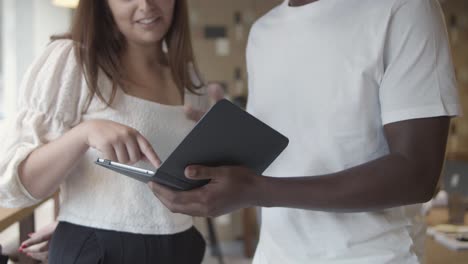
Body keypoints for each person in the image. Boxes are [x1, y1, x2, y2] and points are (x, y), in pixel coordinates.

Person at [148, 0, 461, 263]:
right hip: (274, 255)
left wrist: (255, 190)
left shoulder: (404, 9)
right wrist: (218, 145)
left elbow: (417, 175)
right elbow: (299, 146)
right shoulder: (263, 32)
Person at [0, 0, 210, 263]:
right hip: (99, 249)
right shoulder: (75, 61)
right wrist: (83, 134)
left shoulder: (191, 79)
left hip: (181, 246)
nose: (146, 5)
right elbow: (14, 184)